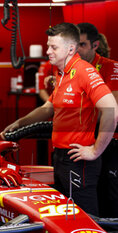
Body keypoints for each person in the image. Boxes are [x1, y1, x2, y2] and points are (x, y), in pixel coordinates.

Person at [1, 22, 118, 216]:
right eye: (48, 46)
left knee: (84, 219)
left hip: (79, 160)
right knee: (65, 216)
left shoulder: (85, 71)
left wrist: (96, 150)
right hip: (60, 156)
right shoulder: (61, 72)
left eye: (53, 47)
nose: (48, 51)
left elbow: (112, 110)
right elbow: (49, 107)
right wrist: (20, 123)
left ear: (70, 48)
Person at [77, 22, 118, 217]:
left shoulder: (111, 67)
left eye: (82, 44)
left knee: (110, 194)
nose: (76, 49)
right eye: (74, 44)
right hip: (81, 141)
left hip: (109, 140)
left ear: (95, 45)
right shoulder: (70, 69)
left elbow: (112, 106)